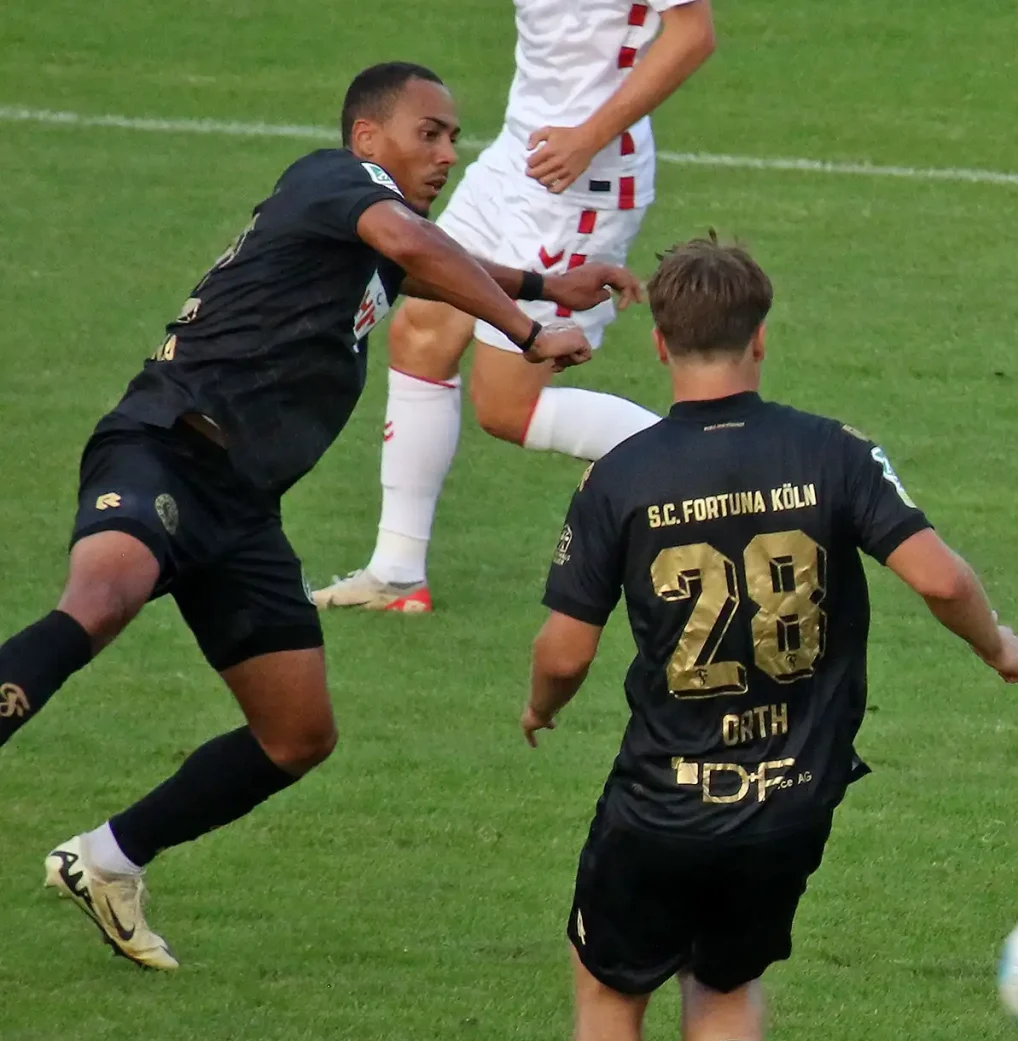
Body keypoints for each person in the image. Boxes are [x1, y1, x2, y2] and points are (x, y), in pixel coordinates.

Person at [0, 63, 633, 971]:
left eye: (455, 137)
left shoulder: (373, 235)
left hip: (242, 508)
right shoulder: (338, 180)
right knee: (103, 595)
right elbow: (415, 251)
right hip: (165, 445)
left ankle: (106, 859)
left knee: (297, 735)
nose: (449, 152)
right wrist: (529, 334)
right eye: (432, 132)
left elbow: (420, 267)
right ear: (369, 137)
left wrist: (542, 286)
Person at [524, 237, 1018, 1041]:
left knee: (610, 991)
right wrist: (998, 646)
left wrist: (542, 707)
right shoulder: (836, 452)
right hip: (792, 800)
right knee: (727, 974)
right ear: (760, 337)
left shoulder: (624, 475)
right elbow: (937, 577)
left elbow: (565, 650)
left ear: (659, 344)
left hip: (661, 798)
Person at [314, 0, 718, 614]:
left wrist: (587, 137)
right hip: (517, 153)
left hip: (580, 176)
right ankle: (397, 573)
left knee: (507, 408)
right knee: (421, 328)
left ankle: (713, 468)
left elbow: (693, 34)